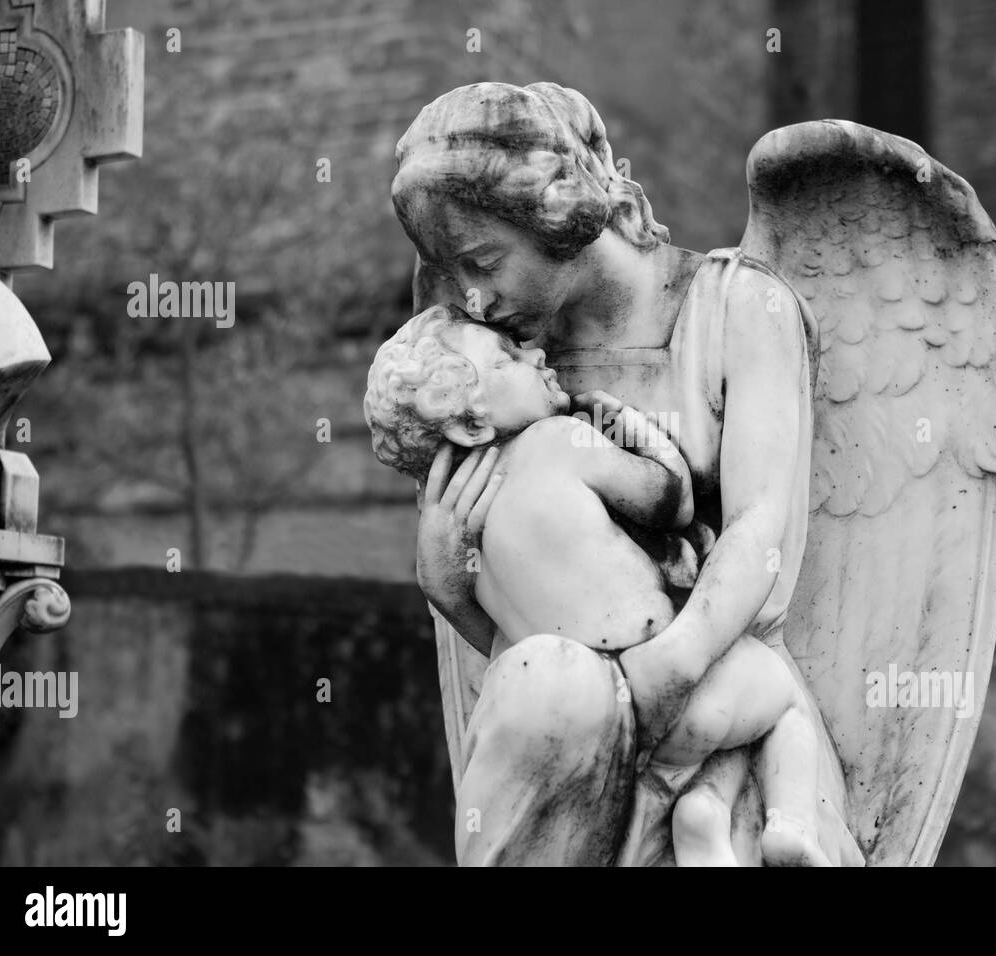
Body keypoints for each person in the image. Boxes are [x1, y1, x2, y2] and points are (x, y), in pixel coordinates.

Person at [393, 81, 861, 866]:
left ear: (555, 213)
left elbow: (761, 541)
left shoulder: (739, 311)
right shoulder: (504, 368)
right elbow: (536, 631)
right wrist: (449, 588)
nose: (472, 297)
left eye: (482, 261)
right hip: (578, 739)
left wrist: (660, 675)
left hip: (723, 721)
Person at [365, 303, 831, 866]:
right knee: (779, 698)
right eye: (508, 358)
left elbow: (496, 644)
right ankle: (788, 825)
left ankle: (702, 816)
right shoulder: (558, 441)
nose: (535, 352)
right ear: (470, 424)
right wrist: (630, 428)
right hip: (658, 669)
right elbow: (670, 500)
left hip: (596, 726)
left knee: (711, 744)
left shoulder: (464, 535)